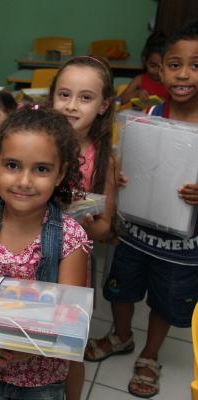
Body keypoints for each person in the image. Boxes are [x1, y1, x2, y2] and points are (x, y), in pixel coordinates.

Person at [84, 21, 198, 398]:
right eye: (174, 64)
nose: (183, 74)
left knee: (166, 299)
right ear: (159, 69)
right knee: (121, 289)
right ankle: (120, 335)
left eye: (196, 65)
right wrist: (119, 179)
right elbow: (126, 168)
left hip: (182, 247)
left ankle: (150, 354)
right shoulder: (145, 116)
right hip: (135, 234)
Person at [0, 107, 90, 400]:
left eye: (41, 169)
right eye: (13, 165)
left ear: (60, 173)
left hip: (41, 378)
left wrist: (24, 344)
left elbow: (69, 317)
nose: (25, 181)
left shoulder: (70, 238)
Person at [49, 55, 118, 400]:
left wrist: (86, 227)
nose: (71, 106)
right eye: (64, 94)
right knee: (31, 333)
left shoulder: (103, 159)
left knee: (69, 347)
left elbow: (105, 228)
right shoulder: (37, 141)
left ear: (104, 104)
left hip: (74, 264)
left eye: (85, 97)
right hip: (26, 259)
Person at [119, 32, 169, 104]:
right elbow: (120, 100)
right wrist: (136, 93)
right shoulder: (139, 80)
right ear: (144, 61)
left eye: (162, 67)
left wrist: (167, 103)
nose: (157, 71)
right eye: (153, 65)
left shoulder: (169, 82)